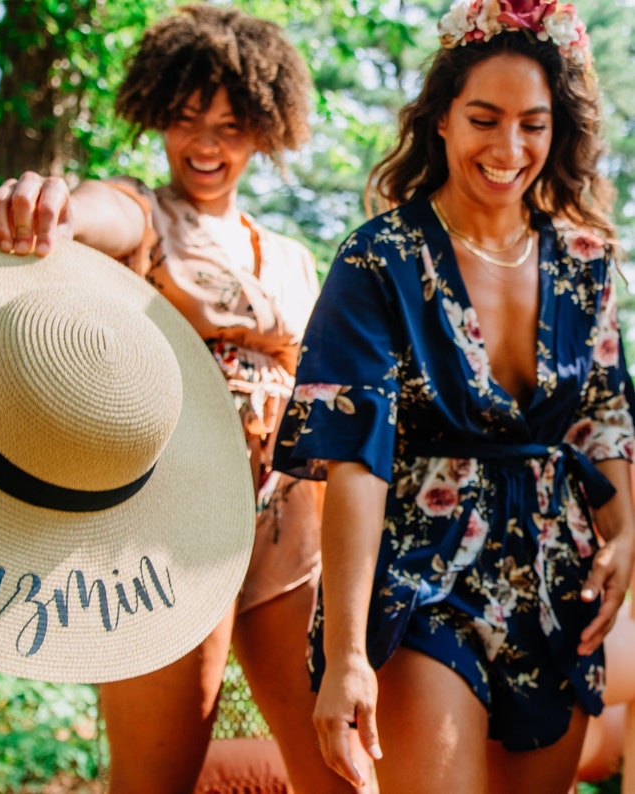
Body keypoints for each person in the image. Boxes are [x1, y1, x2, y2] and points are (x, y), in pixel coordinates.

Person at [0, 5, 369, 793]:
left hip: (291, 531)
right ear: (158, 117)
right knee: (155, 783)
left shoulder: (289, 255)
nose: (206, 144)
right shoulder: (145, 212)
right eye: (186, 120)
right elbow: (94, 212)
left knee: (345, 775)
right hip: (168, 535)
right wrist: (51, 207)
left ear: (265, 126)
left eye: (230, 123)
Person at [272, 1, 635, 793]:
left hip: (557, 582)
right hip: (421, 577)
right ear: (441, 118)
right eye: (485, 118)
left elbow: (603, 416)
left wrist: (626, 531)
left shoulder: (586, 262)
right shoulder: (379, 260)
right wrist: (347, 657)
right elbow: (354, 464)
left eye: (533, 124)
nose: (509, 148)